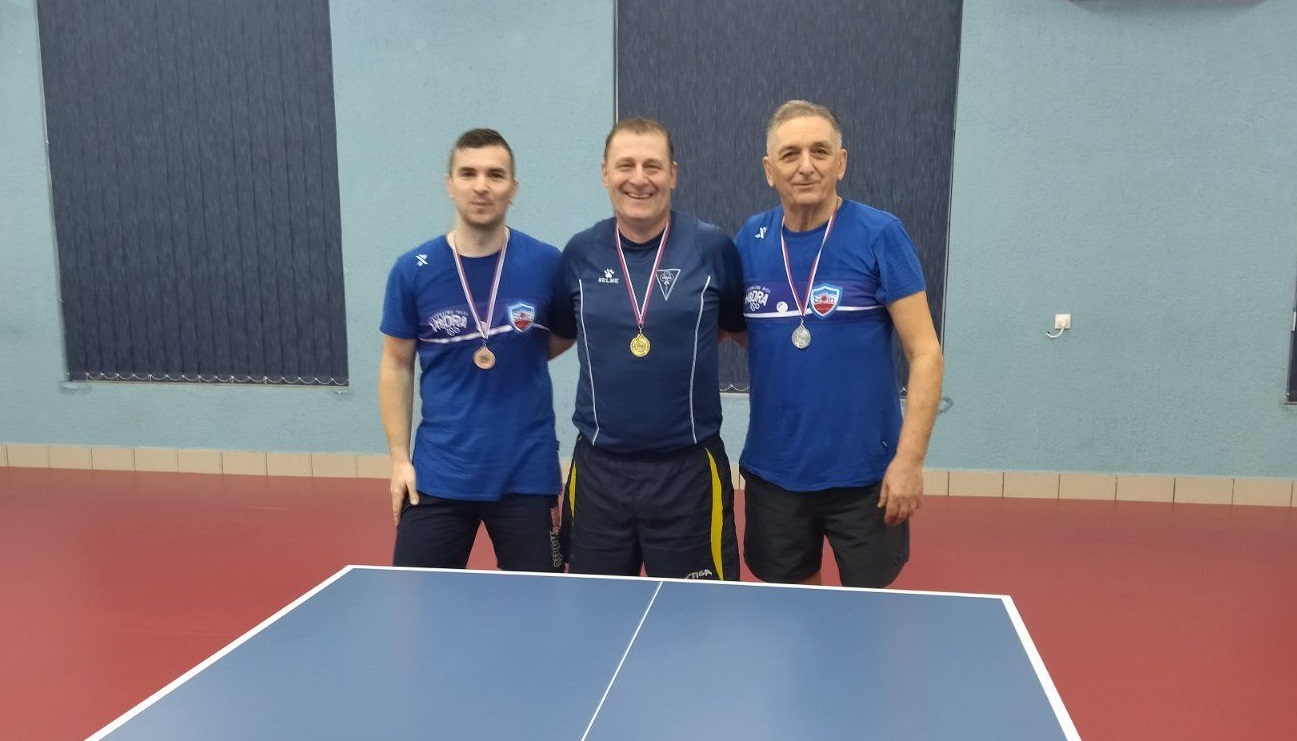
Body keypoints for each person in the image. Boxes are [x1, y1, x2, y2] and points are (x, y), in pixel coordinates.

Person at [732, 100, 944, 588]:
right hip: (774, 473)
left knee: (863, 619)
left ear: (841, 162)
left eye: (820, 151)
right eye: (790, 154)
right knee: (792, 616)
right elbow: (749, 333)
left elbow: (926, 353)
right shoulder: (750, 239)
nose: (805, 166)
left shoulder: (880, 234)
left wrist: (909, 462)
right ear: (769, 170)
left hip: (867, 476)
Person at [549, 117, 745, 579]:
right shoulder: (579, 253)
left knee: (696, 615)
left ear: (673, 174)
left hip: (689, 473)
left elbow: (737, 330)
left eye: (652, 166)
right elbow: (554, 338)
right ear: (605, 173)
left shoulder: (712, 247)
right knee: (596, 611)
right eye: (625, 165)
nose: (639, 178)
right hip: (598, 473)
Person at [379, 128, 563, 572]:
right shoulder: (412, 270)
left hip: (526, 474)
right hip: (438, 474)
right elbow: (396, 364)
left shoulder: (547, 264)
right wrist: (400, 461)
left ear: (513, 188)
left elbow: (561, 336)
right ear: (450, 184)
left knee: (540, 603)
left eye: (495, 175)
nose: (482, 186)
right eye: (468, 173)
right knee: (416, 601)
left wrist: (518, 353)